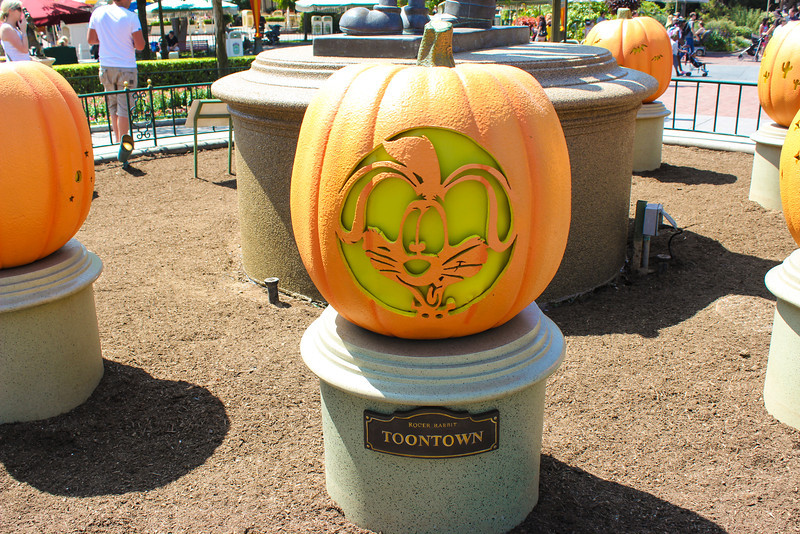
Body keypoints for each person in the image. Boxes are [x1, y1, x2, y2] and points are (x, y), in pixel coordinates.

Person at [87, 0, 145, 144]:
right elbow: (140, 45)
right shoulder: (131, 17)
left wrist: (108, 40)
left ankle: (118, 141)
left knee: (113, 106)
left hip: (106, 66)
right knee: (125, 107)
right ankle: (124, 145)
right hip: (126, 66)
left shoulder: (98, 13)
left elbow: (91, 39)